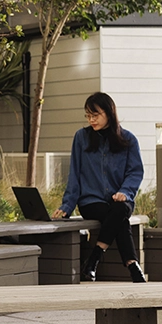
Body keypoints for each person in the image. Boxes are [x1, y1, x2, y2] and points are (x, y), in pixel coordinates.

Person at [52, 92, 147, 283]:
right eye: (88, 115)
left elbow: (135, 172)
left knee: (119, 209)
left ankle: (94, 258)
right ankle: (132, 265)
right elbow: (74, 174)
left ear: (109, 113)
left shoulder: (128, 140)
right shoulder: (81, 137)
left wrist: (125, 192)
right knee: (119, 218)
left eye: (95, 115)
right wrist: (67, 206)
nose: (91, 120)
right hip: (91, 201)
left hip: (120, 199)